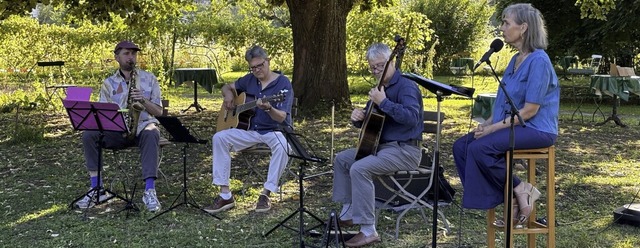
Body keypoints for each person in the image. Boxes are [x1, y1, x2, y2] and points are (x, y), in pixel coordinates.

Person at [452, 3, 559, 227]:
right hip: (514, 126)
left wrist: (492, 130)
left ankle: (519, 189)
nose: (501, 28)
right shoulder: (514, 60)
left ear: (523, 28)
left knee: (480, 148)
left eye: (506, 23)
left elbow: (530, 110)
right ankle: (512, 195)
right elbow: (502, 105)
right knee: (462, 146)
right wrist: (486, 125)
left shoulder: (539, 60)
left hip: (537, 129)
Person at [331, 43, 424, 247]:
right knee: (342, 159)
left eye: (380, 66)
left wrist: (384, 103)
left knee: (359, 168)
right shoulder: (379, 89)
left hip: (405, 150)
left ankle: (368, 230)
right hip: (380, 147)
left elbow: (411, 118)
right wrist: (357, 118)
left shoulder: (406, 86)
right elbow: (370, 123)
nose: (376, 71)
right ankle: (348, 213)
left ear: (391, 62)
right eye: (373, 67)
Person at [204, 45, 294, 214]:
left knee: (284, 146)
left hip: (273, 130)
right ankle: (225, 195)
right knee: (219, 138)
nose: (257, 70)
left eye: (260, 65)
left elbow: (282, 117)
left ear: (268, 61)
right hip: (249, 130)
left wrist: (269, 108)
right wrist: (229, 95)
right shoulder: (249, 79)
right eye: (253, 67)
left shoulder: (283, 83)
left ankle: (266, 193)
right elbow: (226, 87)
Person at [77, 40, 164, 212]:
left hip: (142, 128)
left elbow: (159, 112)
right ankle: (97, 189)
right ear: (117, 57)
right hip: (117, 130)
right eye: (126, 53)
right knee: (89, 135)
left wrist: (143, 100)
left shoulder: (149, 78)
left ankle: (150, 190)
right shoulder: (108, 83)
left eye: (133, 53)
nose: (131, 57)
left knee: (152, 132)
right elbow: (103, 114)